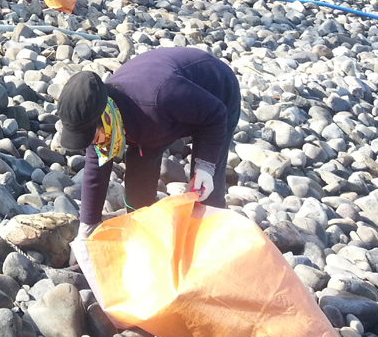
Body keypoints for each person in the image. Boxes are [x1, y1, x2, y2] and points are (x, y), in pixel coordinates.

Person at [56, 49, 241, 240]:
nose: (93, 143)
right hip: (158, 116)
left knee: (205, 192)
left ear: (104, 117)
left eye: (92, 137)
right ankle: (145, 236)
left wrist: (205, 166)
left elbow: (216, 114)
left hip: (217, 95)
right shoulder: (96, 117)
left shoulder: (160, 97)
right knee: (138, 194)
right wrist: (87, 227)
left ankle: (214, 240)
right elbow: (96, 170)